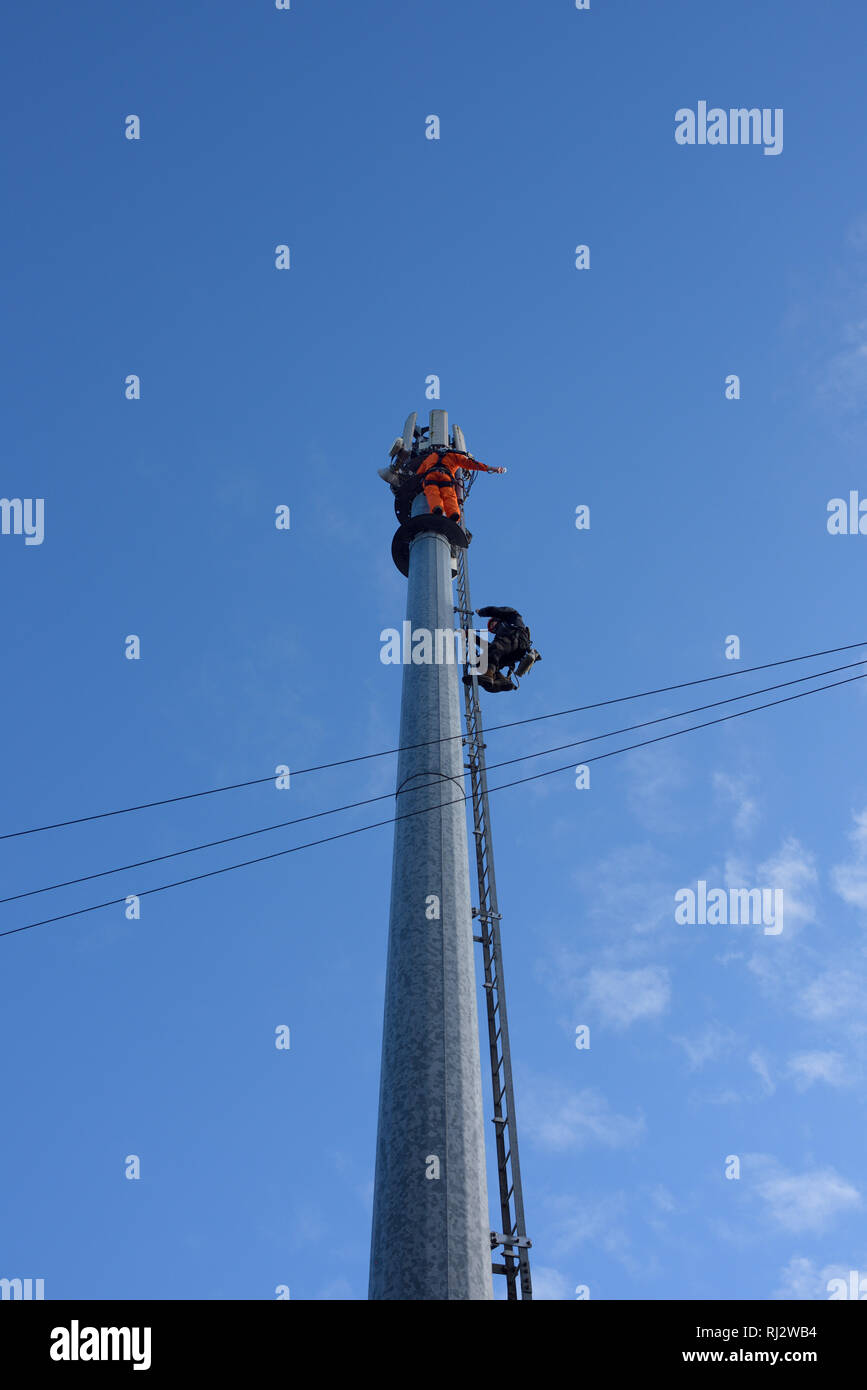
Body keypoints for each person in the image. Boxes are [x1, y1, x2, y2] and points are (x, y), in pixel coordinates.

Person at [414, 450, 505, 524]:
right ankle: (454, 514)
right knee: (449, 496)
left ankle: (437, 508)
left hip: (431, 476)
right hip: (446, 477)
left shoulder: (431, 457)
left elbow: (419, 474)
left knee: (432, 493)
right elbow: (470, 464)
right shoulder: (454, 455)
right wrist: (491, 468)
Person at [466, 606, 535, 692]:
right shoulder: (501, 635)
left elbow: (495, 610)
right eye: (491, 628)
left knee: (494, 650)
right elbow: (490, 648)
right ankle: (501, 681)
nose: (492, 627)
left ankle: (488, 675)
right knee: (482, 660)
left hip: (515, 640)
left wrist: (481, 612)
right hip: (514, 653)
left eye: (492, 623)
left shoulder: (512, 616)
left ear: (498, 619)